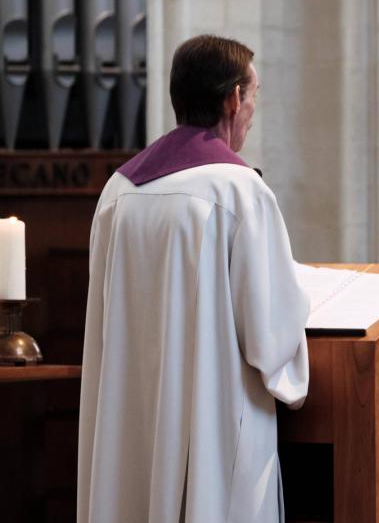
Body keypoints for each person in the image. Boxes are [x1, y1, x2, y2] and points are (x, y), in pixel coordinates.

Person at [78, 36, 310, 523]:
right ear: (233, 98)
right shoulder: (238, 188)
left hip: (131, 421)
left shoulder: (119, 190)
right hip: (215, 421)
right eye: (254, 94)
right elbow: (269, 340)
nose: (252, 110)